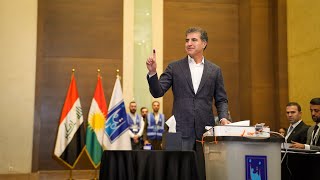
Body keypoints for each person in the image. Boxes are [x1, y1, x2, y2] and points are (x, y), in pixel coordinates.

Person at [146, 27, 231, 180]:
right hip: (179, 132)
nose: (189, 43)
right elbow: (157, 92)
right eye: (187, 40)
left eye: (194, 40)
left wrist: (224, 116)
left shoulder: (215, 71)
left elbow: (221, 99)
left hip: (205, 134)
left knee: (203, 174)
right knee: (177, 174)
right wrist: (152, 73)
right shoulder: (174, 67)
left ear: (204, 43)